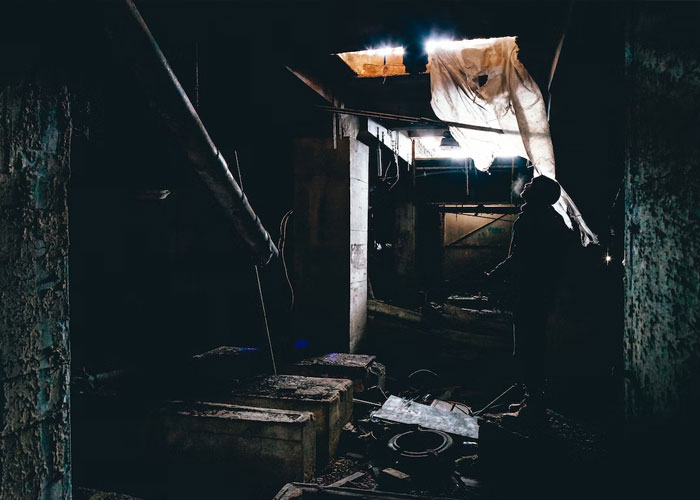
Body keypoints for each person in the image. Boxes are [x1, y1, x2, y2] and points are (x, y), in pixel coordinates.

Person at [487, 175, 571, 422]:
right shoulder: (546, 218)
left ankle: (533, 407)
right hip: (538, 293)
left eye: (533, 184)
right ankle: (531, 399)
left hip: (532, 294)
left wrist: (495, 274)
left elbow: (520, 258)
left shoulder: (534, 219)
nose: (526, 185)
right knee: (530, 346)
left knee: (528, 348)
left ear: (541, 194)